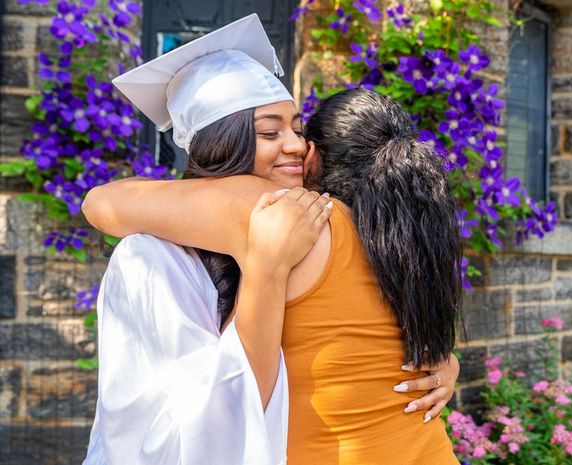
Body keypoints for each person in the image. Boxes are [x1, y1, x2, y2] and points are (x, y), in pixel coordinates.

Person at [83, 14, 460, 465]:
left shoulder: (285, 210)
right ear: (223, 144)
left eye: (298, 130)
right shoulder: (398, 226)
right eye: (270, 131)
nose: (297, 146)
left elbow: (102, 203)